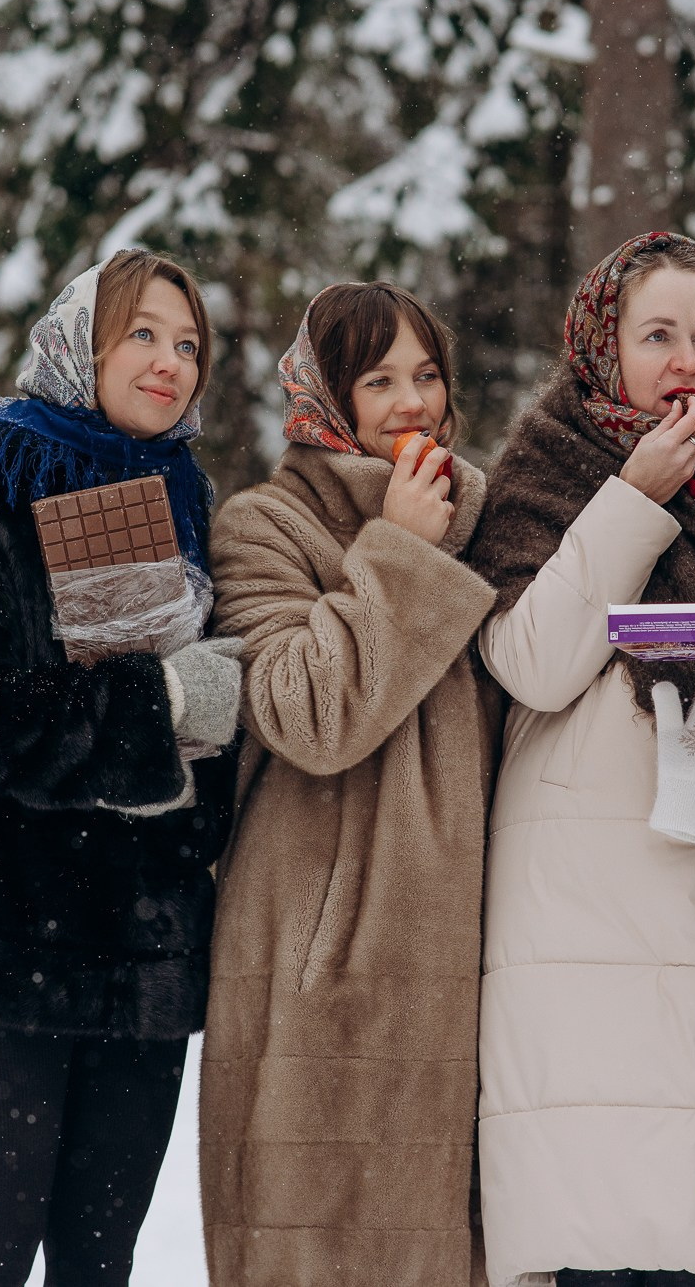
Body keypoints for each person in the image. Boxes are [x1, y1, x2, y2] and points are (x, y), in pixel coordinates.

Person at [468, 231, 695, 1287]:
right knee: (607, 1233)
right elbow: (532, 663)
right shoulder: (545, 466)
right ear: (603, 345)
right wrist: (632, 496)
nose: (686, 362)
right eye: (658, 335)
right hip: (589, 892)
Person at [0, 249, 243, 1287]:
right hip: (6, 924)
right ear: (79, 341)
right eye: (143, 334)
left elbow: (204, 738)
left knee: (100, 1261)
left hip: (144, 939)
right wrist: (156, 702)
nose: (170, 362)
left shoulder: (186, 497)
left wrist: (207, 746)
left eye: (188, 345)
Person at [198, 282, 498, 1287]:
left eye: (426, 375)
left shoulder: (487, 516)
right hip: (323, 972)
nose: (411, 402)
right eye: (377, 380)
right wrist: (400, 552)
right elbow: (306, 714)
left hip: (470, 967)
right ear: (325, 395)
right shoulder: (264, 526)